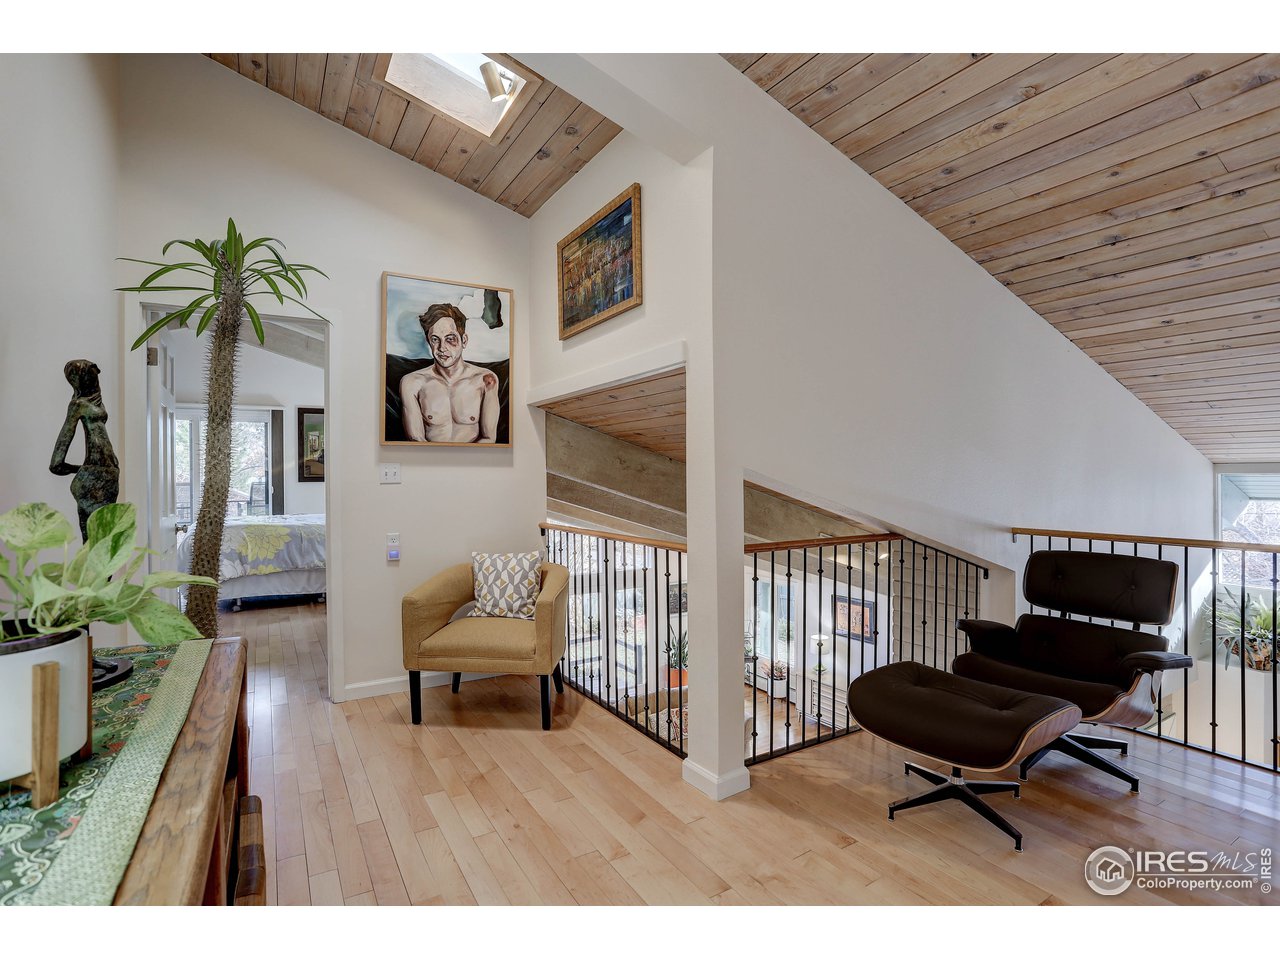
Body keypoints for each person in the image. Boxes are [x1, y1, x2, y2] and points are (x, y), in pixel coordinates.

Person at [399, 303, 499, 443]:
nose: (442, 348)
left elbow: (489, 439)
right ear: (429, 342)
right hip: (427, 462)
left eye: (450, 339)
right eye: (435, 340)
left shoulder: (486, 380)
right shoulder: (412, 383)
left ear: (464, 341)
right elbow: (417, 440)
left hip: (475, 462)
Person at [49, 359, 120, 540]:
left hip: (108, 474)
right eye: (91, 375)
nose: (96, 379)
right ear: (81, 379)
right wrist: (81, 470)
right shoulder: (77, 405)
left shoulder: (95, 401)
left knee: (103, 541)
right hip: (95, 477)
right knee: (97, 541)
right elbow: (57, 461)